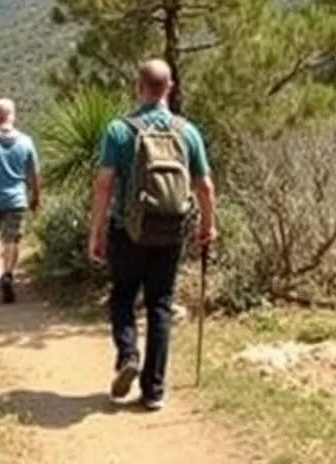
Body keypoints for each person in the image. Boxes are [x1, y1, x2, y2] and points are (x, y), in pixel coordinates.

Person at [88, 60, 217, 411]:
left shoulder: (119, 130)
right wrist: (209, 225)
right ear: (170, 88)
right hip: (170, 231)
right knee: (160, 304)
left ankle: (128, 354)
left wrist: (96, 231)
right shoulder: (186, 131)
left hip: (127, 230)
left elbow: (104, 184)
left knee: (122, 297)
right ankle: (154, 390)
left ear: (138, 87)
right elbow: (204, 185)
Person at [0, 98, 41, 303]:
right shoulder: (26, 142)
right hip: (16, 200)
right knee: (11, 239)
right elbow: (34, 173)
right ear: (12, 116)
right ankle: (7, 274)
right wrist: (35, 196)